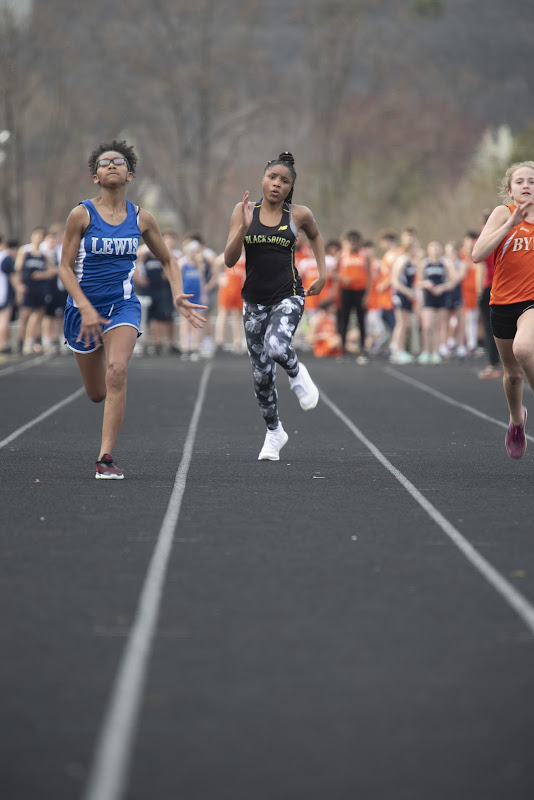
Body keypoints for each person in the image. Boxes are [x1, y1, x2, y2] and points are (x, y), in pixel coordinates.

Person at [58, 139, 206, 479]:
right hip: (81, 310)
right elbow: (65, 267)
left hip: (123, 305)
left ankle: (105, 458)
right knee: (97, 393)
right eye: (104, 162)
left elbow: (168, 259)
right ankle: (103, 422)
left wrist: (179, 293)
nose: (112, 165)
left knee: (117, 372)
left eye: (119, 162)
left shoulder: (142, 219)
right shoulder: (81, 214)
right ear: (95, 176)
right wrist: (84, 307)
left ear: (131, 174)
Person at [224, 151, 326, 461]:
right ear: (262, 180)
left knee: (277, 345)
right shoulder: (243, 212)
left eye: (284, 181)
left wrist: (323, 273)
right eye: (272, 178)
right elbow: (229, 260)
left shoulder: (298, 215)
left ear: (291, 186)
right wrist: (242, 228)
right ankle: (274, 432)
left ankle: (297, 374)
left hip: (289, 295)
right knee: (261, 375)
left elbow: (317, 236)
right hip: (254, 302)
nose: (277, 184)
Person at [472, 160, 534, 459]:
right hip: (503, 303)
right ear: (510, 191)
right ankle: (517, 421)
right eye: (520, 181)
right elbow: (477, 254)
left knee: (525, 349)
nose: (526, 185)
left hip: (532, 303)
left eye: (532, 181)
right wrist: (509, 226)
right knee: (511, 375)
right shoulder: (502, 214)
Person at [336, 229, 371, 362]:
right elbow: (333, 272)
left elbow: (369, 276)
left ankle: (363, 347)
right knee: (344, 319)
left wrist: (367, 295)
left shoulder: (364, 256)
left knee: (361, 320)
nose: (353, 245)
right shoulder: (342, 255)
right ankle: (343, 348)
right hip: (346, 290)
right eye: (351, 242)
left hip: (360, 291)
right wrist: (342, 279)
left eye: (355, 242)